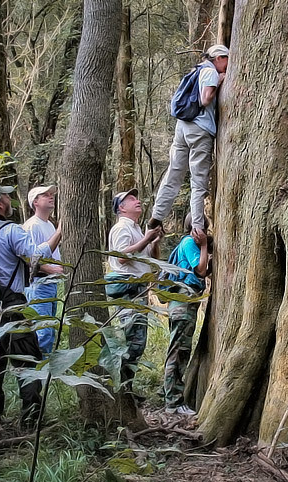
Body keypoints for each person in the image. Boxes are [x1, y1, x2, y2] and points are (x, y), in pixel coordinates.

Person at [0, 183, 61, 428]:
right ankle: (31, 419)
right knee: (27, 361)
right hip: (12, 305)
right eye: (7, 196)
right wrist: (60, 233)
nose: (10, 199)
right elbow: (36, 258)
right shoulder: (11, 230)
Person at [148, 44, 229, 234]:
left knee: (174, 172)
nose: (228, 65)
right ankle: (198, 227)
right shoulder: (210, 72)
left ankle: (157, 216)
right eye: (226, 59)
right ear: (218, 58)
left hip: (183, 127)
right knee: (198, 180)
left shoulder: (197, 69)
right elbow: (205, 98)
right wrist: (218, 82)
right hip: (199, 129)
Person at [107, 189, 163, 387]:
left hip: (139, 289)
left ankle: (127, 388)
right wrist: (146, 239)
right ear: (121, 208)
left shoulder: (137, 230)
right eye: (131, 199)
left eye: (136, 197)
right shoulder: (121, 228)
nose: (137, 201)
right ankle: (123, 390)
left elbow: (152, 257)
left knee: (138, 341)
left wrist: (153, 241)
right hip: (128, 291)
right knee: (131, 341)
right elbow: (121, 256)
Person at [163, 214, 210, 415]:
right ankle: (173, 403)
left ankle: (170, 395)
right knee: (178, 352)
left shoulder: (187, 243)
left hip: (181, 302)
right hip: (183, 302)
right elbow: (200, 270)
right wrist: (205, 245)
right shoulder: (190, 242)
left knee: (179, 350)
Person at [23, 185, 63, 355]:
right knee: (42, 330)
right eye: (45, 195)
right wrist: (51, 270)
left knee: (49, 328)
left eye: (51, 194)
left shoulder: (50, 225)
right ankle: (36, 369)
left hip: (50, 285)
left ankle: (44, 365)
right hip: (39, 284)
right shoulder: (32, 226)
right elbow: (29, 258)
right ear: (35, 202)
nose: (50, 197)